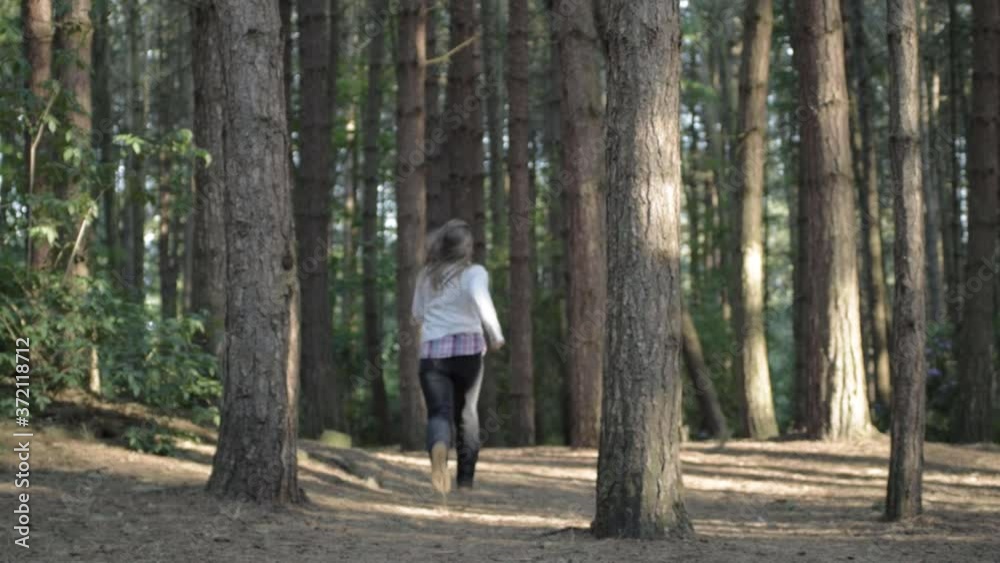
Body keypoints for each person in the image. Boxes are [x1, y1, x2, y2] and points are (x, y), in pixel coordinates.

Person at [411, 219, 504, 496]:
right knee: (467, 413)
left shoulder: (426, 275)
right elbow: (481, 301)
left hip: (432, 353)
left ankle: (439, 448)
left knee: (439, 412)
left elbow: (416, 314)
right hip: (468, 350)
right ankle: (465, 483)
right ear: (466, 249)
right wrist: (495, 335)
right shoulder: (474, 273)